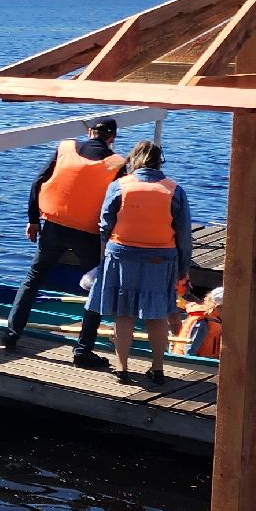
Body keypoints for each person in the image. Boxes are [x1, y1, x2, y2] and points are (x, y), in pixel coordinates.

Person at [3, 117, 128, 366]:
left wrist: (33, 220)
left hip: (54, 226)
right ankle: (82, 351)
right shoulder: (117, 163)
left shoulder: (65, 149)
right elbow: (118, 203)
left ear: (90, 132)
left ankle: (11, 334)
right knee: (96, 289)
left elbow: (37, 182)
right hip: (88, 233)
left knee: (33, 280)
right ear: (112, 137)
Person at [86, 141, 193, 381]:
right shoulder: (174, 190)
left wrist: (104, 254)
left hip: (122, 255)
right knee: (157, 314)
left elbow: (104, 225)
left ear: (133, 160)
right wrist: (183, 268)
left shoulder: (119, 186)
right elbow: (184, 235)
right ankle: (158, 369)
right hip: (161, 258)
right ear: (159, 162)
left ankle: (122, 369)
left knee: (124, 314)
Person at [178, 286, 223, 359]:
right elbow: (190, 351)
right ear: (218, 307)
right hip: (191, 363)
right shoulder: (202, 322)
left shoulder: (215, 319)